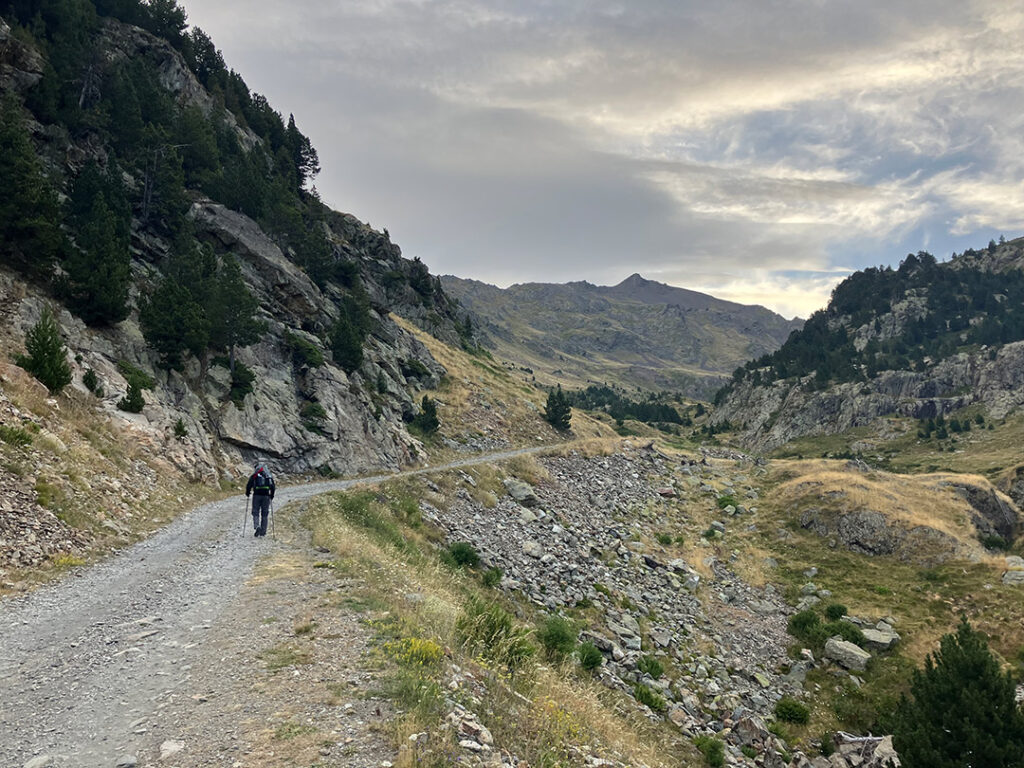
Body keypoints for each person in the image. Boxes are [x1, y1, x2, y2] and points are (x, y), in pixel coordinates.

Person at [246, 461, 275, 537]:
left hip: (256, 495)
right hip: (266, 496)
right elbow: (272, 486)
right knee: (264, 514)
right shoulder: (268, 475)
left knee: (255, 512)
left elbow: (249, 485)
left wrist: (248, 493)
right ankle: (263, 532)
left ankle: (257, 526)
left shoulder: (255, 475)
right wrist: (271, 495)